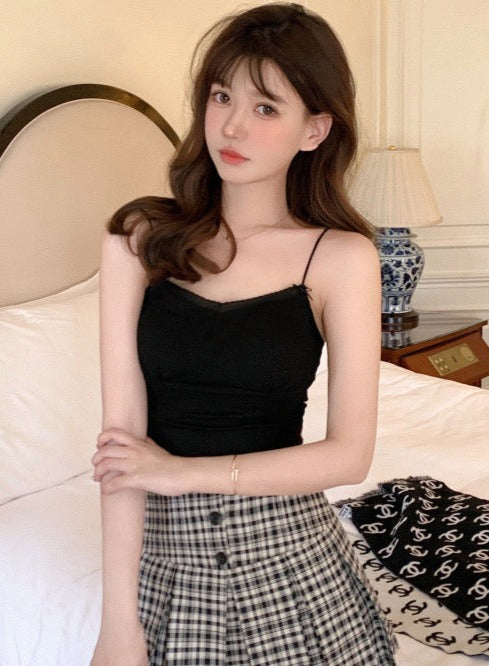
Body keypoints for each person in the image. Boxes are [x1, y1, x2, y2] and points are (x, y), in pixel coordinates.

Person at [91, 3, 397, 665]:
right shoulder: (138, 242)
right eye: (221, 95)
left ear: (314, 130)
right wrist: (118, 625)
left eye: (265, 107)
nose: (232, 126)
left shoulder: (340, 258)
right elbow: (122, 445)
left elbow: (349, 456)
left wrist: (180, 473)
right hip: (168, 563)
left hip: (292, 561)